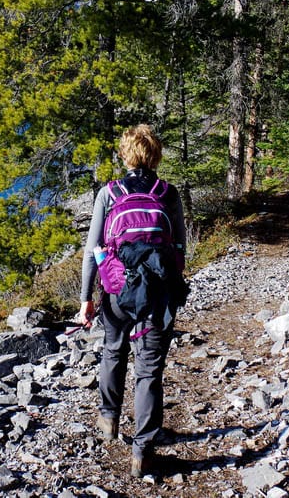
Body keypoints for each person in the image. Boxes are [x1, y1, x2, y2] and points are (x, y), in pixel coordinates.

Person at [78, 124, 187, 478]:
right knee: (149, 370)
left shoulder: (109, 192)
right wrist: (173, 286)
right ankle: (143, 452)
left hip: (117, 289)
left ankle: (109, 421)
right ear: (156, 155)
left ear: (126, 155)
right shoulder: (168, 193)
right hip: (156, 291)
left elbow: (92, 250)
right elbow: (181, 249)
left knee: (113, 350)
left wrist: (86, 300)